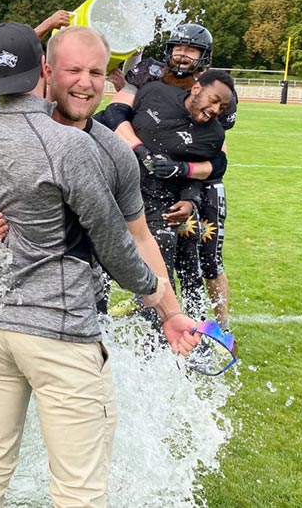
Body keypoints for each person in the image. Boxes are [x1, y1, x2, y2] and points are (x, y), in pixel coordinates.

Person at [0, 21, 197, 508]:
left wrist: (169, 312)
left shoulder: (112, 153)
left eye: (95, 72)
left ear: (109, 78)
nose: (85, 82)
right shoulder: (20, 137)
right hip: (34, 327)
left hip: (48, 319)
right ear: (46, 71)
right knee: (71, 487)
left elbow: (138, 238)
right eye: (72, 70)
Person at [99, 25, 235, 326]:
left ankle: (215, 328)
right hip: (148, 174)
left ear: (204, 57)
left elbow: (215, 157)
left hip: (196, 180)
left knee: (203, 258)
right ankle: (154, 313)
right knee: (135, 246)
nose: (183, 54)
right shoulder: (150, 74)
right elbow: (114, 113)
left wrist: (186, 180)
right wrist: (140, 149)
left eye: (192, 49)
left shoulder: (213, 89)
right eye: (178, 47)